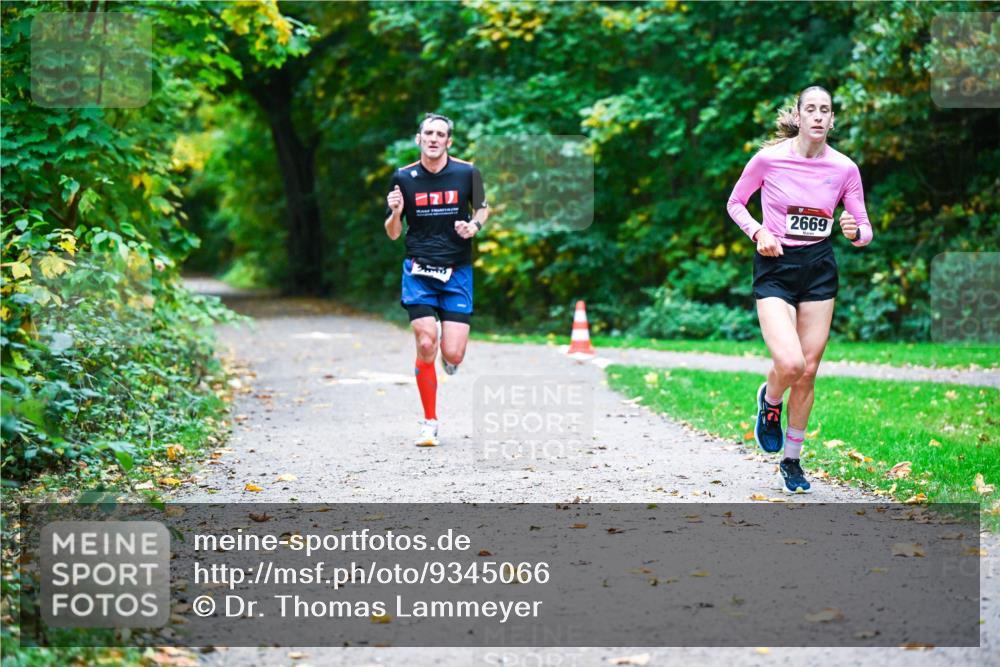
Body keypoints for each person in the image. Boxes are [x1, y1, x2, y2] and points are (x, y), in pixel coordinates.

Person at [726, 85, 873, 493]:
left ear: (832, 119)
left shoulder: (844, 168)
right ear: (799, 114)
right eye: (811, 109)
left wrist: (854, 230)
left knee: (808, 372)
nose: (818, 116)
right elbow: (736, 203)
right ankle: (770, 402)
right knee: (789, 364)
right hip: (775, 265)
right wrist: (758, 232)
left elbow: (864, 228)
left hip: (819, 266)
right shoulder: (768, 159)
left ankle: (792, 460)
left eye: (825, 110)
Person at [385, 113, 489, 446]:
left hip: (457, 270)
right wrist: (396, 212)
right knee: (425, 341)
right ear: (419, 138)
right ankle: (429, 420)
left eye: (440, 134)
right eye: (428, 132)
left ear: (448, 141)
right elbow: (393, 233)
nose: (433, 138)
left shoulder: (467, 172)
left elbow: (483, 208)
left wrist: (474, 226)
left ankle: (448, 357)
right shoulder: (403, 178)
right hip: (419, 270)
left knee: (454, 353)